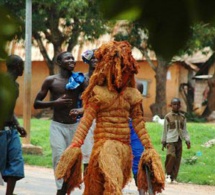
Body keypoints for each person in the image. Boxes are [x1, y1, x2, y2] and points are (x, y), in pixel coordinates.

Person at [55, 41, 165, 194]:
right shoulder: (98, 93)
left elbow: (139, 124)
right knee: (108, 187)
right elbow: (86, 121)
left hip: (124, 151)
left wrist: (149, 148)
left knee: (105, 188)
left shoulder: (132, 95)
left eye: (126, 70)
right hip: (104, 148)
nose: (123, 74)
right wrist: (75, 146)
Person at [33, 51, 87, 195]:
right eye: (67, 58)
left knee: (73, 161)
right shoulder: (51, 81)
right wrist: (54, 103)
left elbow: (91, 101)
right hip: (57, 126)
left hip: (75, 126)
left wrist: (81, 110)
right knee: (59, 157)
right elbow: (36, 104)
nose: (71, 60)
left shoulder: (80, 80)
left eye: (72, 58)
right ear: (59, 62)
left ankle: (66, 189)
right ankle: (60, 189)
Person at [0, 54, 27, 195]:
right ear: (17, 67)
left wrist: (17, 125)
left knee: (16, 164)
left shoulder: (15, 85)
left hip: (11, 130)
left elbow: (9, 109)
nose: (23, 68)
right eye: (22, 65)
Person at [70, 49, 97, 173]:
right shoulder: (82, 79)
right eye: (93, 58)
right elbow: (73, 97)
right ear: (88, 60)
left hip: (103, 120)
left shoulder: (105, 80)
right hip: (86, 120)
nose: (96, 60)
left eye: (98, 58)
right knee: (87, 157)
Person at [161, 97, 191, 184]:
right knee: (171, 155)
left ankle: (173, 177)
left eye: (178, 104)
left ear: (180, 106)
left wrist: (187, 140)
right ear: (171, 105)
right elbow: (165, 130)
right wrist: (163, 142)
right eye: (174, 104)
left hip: (179, 140)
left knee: (177, 159)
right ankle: (168, 174)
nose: (176, 106)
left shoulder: (182, 117)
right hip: (170, 140)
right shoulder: (168, 117)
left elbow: (185, 130)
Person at [130, 80, 145, 195]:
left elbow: (140, 107)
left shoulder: (138, 85)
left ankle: (141, 191)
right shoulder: (112, 83)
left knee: (138, 158)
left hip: (134, 125)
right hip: (116, 124)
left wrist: (141, 125)